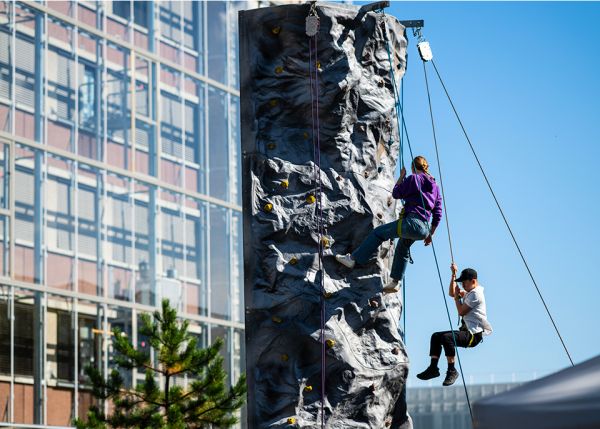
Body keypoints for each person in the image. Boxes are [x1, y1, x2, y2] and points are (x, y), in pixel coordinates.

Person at [335, 155, 442, 292]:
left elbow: (396, 194)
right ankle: (395, 282)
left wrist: (402, 177)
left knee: (378, 233)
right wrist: (430, 234)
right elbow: (438, 213)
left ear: (413, 167)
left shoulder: (414, 178)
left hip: (412, 222)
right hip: (424, 228)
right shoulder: (435, 187)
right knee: (403, 248)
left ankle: (353, 259)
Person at [416, 263, 493, 386]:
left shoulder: (476, 295)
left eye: (464, 282)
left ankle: (452, 370)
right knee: (436, 336)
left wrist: (457, 298)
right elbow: (452, 293)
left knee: (447, 338)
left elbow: (461, 311)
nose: (462, 285)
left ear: (473, 281)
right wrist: (453, 275)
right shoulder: (470, 292)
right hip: (466, 332)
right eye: (461, 282)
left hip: (473, 335)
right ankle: (433, 368)